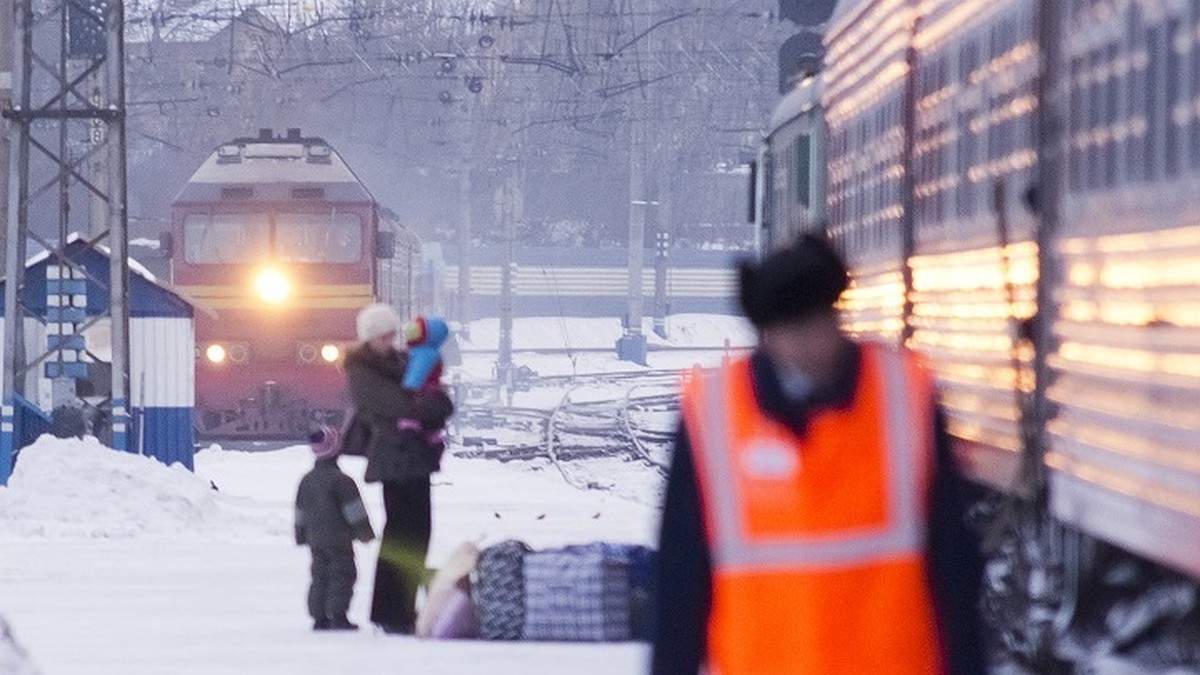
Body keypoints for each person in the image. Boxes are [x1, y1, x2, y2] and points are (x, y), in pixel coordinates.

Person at [650, 234, 986, 675]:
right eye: (788, 329)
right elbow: (681, 574)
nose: (803, 344)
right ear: (765, 333)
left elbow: (952, 561)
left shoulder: (905, 397)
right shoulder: (712, 414)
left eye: (814, 323)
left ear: (836, 315)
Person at [344, 303, 454, 635]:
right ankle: (390, 611)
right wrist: (429, 407)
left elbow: (442, 403)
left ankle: (402, 609)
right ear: (368, 338)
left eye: (392, 334)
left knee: (418, 533)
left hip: (415, 458)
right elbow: (401, 405)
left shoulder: (403, 361)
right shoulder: (361, 370)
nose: (391, 342)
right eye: (383, 337)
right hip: (393, 459)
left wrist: (430, 406)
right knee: (402, 534)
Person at [294, 425, 375, 631]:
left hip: (315, 539)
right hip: (339, 539)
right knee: (342, 574)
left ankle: (319, 617)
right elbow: (354, 512)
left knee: (319, 574)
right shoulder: (342, 481)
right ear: (336, 450)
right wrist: (365, 534)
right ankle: (338, 615)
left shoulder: (307, 480)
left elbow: (300, 511)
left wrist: (301, 534)